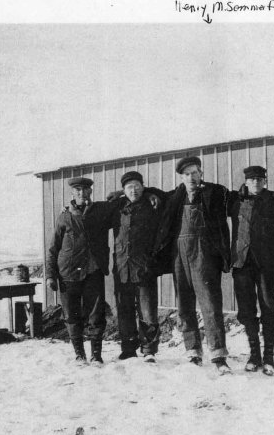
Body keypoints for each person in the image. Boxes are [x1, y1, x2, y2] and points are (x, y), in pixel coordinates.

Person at [152, 156, 232, 374]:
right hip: (179, 254)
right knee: (184, 305)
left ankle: (218, 355)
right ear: (181, 177)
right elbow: (152, 193)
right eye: (186, 174)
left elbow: (237, 196)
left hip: (204, 254)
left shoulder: (214, 193)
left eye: (194, 172)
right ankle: (193, 351)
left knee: (210, 304)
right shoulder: (175, 196)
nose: (191, 177)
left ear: (201, 173)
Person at [46, 177, 118, 367]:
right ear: (72, 193)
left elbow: (121, 202)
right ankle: (79, 355)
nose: (82, 193)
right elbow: (53, 248)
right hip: (67, 274)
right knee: (71, 315)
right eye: (78, 190)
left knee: (96, 315)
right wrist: (49, 275)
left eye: (85, 190)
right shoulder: (64, 217)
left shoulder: (100, 211)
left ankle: (96, 355)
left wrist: (117, 194)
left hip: (93, 271)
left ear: (90, 192)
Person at [229, 166, 274, 376]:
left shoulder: (273, 200)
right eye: (252, 180)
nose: (256, 183)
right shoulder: (235, 199)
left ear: (265, 181)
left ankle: (269, 357)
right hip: (242, 262)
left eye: (260, 180)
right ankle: (254, 355)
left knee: (268, 306)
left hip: (266, 263)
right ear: (246, 181)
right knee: (246, 310)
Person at [110, 171, 162, 363]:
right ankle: (128, 349)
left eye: (138, 186)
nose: (134, 190)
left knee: (148, 310)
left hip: (144, 267)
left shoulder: (151, 205)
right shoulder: (117, 207)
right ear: (124, 190)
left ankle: (149, 349)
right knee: (124, 311)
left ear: (143, 187)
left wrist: (149, 193)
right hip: (122, 267)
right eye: (130, 187)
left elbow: (166, 195)